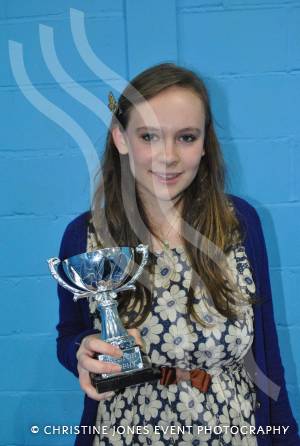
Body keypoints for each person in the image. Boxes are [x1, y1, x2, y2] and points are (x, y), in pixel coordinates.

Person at [56, 63, 300, 446]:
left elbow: (266, 356)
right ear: (121, 138)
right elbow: (70, 334)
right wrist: (80, 351)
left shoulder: (240, 224)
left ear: (205, 144)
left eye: (186, 137)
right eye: (149, 136)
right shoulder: (84, 237)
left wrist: (285, 436)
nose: (167, 156)